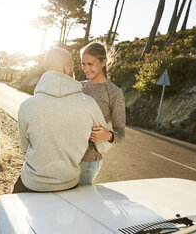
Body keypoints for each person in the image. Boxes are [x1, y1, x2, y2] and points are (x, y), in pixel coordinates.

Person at [12, 47, 112, 193]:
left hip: (31, 183)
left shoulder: (26, 106)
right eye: (73, 66)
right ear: (67, 68)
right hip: (68, 184)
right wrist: (110, 136)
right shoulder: (89, 103)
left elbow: (25, 145)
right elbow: (103, 145)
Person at [79, 41, 126, 185]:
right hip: (67, 156)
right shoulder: (78, 86)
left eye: (90, 64)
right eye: (83, 63)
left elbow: (120, 133)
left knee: (81, 203)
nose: (86, 68)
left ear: (103, 62)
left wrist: (108, 135)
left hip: (89, 161)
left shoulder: (114, 93)